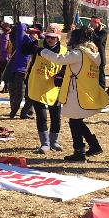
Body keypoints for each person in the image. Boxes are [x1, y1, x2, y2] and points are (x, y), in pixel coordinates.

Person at [40, 26, 108, 162]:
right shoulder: (93, 53)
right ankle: (93, 146)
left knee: (74, 122)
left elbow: (59, 59)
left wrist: (43, 51)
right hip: (85, 91)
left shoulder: (78, 53)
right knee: (76, 122)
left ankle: (80, 152)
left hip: (77, 91)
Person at [21, 23, 66, 154]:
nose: (49, 39)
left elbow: (66, 67)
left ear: (58, 38)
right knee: (42, 116)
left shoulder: (63, 51)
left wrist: (60, 75)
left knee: (56, 115)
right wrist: (30, 43)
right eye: (48, 37)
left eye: (53, 37)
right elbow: (23, 49)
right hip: (37, 85)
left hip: (54, 88)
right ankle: (45, 143)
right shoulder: (38, 44)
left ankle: (54, 141)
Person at [6, 22, 30, 119]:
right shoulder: (22, 41)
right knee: (20, 93)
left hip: (24, 71)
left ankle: (22, 111)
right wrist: (23, 25)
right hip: (21, 72)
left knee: (23, 94)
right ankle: (16, 111)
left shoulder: (20, 41)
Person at [89, 17, 109, 88]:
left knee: (100, 76)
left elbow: (99, 41)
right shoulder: (91, 31)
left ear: (96, 22)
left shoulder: (104, 32)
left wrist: (92, 33)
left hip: (100, 57)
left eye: (92, 22)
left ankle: (102, 92)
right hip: (91, 56)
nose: (90, 23)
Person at [0, 22, 12, 92]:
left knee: (4, 73)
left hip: (4, 57)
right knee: (0, 72)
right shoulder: (4, 35)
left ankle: (6, 87)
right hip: (2, 57)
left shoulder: (6, 36)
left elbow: (3, 48)